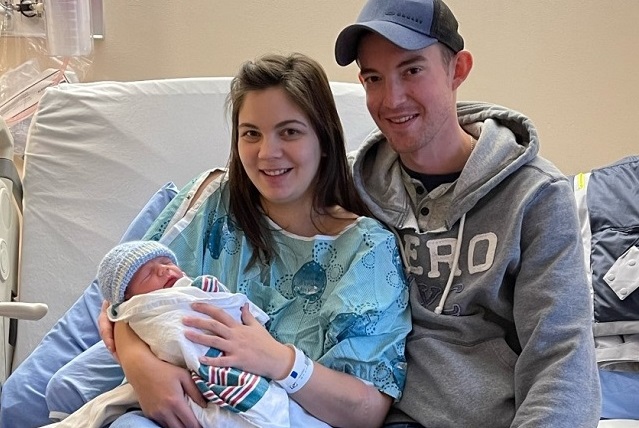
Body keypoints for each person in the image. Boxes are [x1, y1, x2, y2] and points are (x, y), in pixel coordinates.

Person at [45, 52, 411, 428]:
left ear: (325, 140)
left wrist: (280, 361)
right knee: (67, 391)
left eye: (290, 131)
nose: (268, 153)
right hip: (178, 405)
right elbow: (125, 297)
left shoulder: (366, 252)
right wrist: (142, 365)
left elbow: (367, 410)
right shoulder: (212, 205)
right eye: (251, 133)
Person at [332, 0, 601, 427]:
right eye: (373, 78)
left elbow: (560, 356)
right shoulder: (349, 185)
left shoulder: (535, 195)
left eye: (412, 70)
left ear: (457, 69)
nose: (391, 99)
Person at [45, 240, 330, 428]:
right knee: (65, 390)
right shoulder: (143, 307)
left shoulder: (193, 288)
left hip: (262, 375)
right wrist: (137, 360)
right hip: (189, 392)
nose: (164, 270)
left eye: (167, 264)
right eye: (148, 273)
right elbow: (117, 307)